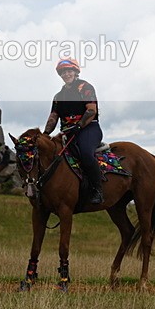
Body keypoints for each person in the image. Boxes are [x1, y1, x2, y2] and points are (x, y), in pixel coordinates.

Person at [43, 58, 104, 204]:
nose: (66, 74)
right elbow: (53, 117)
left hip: (88, 128)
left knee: (86, 154)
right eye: (63, 72)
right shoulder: (58, 97)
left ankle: (97, 189)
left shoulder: (85, 87)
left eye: (69, 71)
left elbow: (91, 110)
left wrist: (80, 125)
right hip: (68, 132)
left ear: (75, 72)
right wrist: (45, 134)